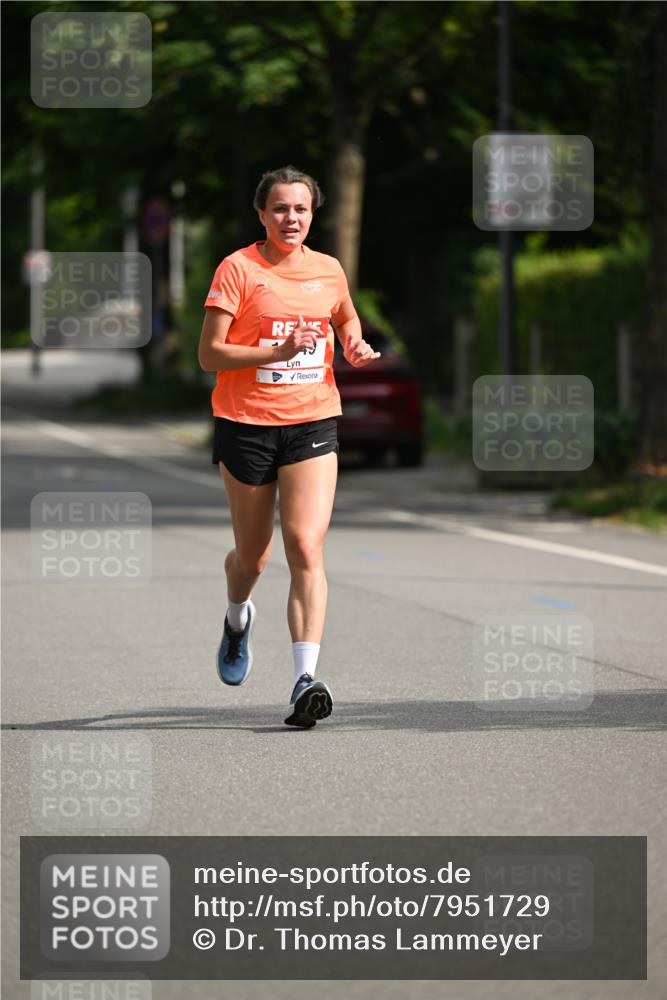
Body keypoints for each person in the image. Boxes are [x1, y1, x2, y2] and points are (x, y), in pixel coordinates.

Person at [198, 165, 380, 728]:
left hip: (312, 420)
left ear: (312, 214)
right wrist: (275, 354)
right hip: (246, 423)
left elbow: (345, 317)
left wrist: (353, 342)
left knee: (305, 545)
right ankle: (237, 617)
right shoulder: (237, 269)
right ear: (262, 214)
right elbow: (209, 354)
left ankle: (306, 679)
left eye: (301, 209)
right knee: (252, 557)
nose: (291, 218)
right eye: (280, 208)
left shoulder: (328, 269)